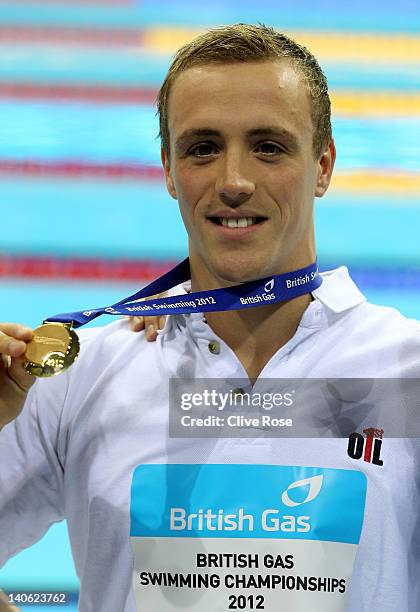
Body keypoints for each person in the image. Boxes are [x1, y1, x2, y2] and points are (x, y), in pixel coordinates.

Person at [0, 23, 419, 612]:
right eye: (203, 148)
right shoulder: (74, 378)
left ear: (322, 166)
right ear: (171, 171)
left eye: (268, 146)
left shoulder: (407, 369)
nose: (234, 182)